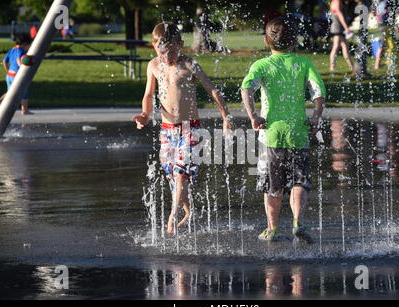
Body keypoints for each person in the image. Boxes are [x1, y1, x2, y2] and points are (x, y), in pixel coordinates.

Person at [132, 22, 234, 234]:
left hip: (191, 128)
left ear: (180, 44)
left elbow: (212, 90)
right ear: (154, 48)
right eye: (162, 52)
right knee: (172, 176)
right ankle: (190, 212)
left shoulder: (189, 65)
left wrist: (226, 116)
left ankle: (172, 217)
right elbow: (149, 95)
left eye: (171, 52)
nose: (167, 57)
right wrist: (145, 115)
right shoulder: (153, 66)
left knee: (181, 175)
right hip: (167, 131)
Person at [241, 16, 326, 243]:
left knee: (272, 185)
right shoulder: (304, 64)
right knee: (299, 182)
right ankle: (298, 222)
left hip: (271, 134)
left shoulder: (262, 65)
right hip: (298, 131)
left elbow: (246, 89)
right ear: (294, 42)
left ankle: (272, 228)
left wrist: (253, 116)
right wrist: (316, 117)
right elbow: (318, 92)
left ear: (266, 42)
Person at [0, 34, 33, 115]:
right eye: (29, 45)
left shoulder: (12, 49)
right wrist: (23, 67)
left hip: (9, 75)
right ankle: (24, 110)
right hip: (16, 75)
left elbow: (5, 61)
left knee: (10, 92)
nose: (29, 47)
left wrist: (8, 71)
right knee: (24, 91)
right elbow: (19, 61)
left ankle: (0, 101)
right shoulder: (21, 51)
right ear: (25, 44)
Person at [329, 0, 355, 73]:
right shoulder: (337, 1)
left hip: (338, 27)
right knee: (337, 46)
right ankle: (332, 67)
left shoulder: (335, 1)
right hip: (337, 27)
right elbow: (339, 14)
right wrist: (346, 28)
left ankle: (352, 66)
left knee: (343, 46)